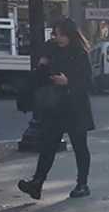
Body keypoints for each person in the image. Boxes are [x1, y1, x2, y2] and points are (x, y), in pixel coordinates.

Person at [18, 18, 95, 200]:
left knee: (80, 147)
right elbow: (40, 76)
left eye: (61, 34)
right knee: (48, 146)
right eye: (56, 34)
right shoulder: (51, 50)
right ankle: (36, 183)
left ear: (70, 35)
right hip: (55, 106)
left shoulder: (80, 54)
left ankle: (82, 184)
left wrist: (68, 82)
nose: (58, 38)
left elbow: (88, 83)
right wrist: (42, 65)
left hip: (75, 107)